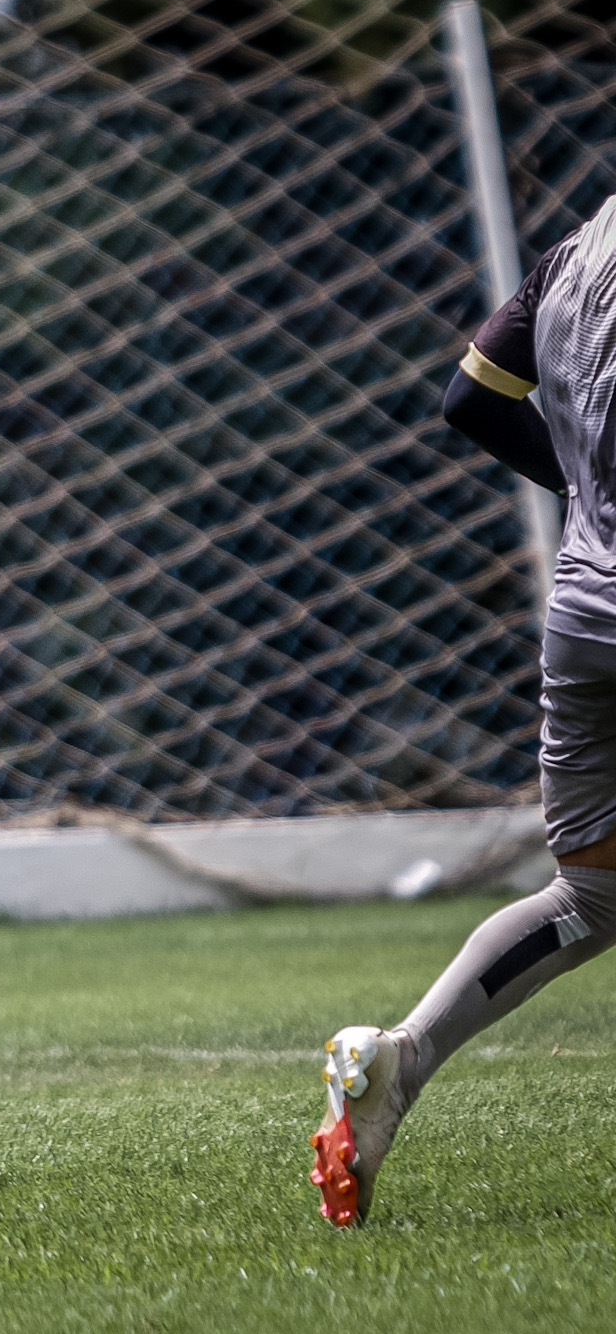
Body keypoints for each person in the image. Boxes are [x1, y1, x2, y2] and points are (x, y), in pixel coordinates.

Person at [310, 204, 614, 1227]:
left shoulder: (571, 252)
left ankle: (393, 1062)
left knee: (590, 897)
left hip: (581, 616)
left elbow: (469, 398)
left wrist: (580, 490)